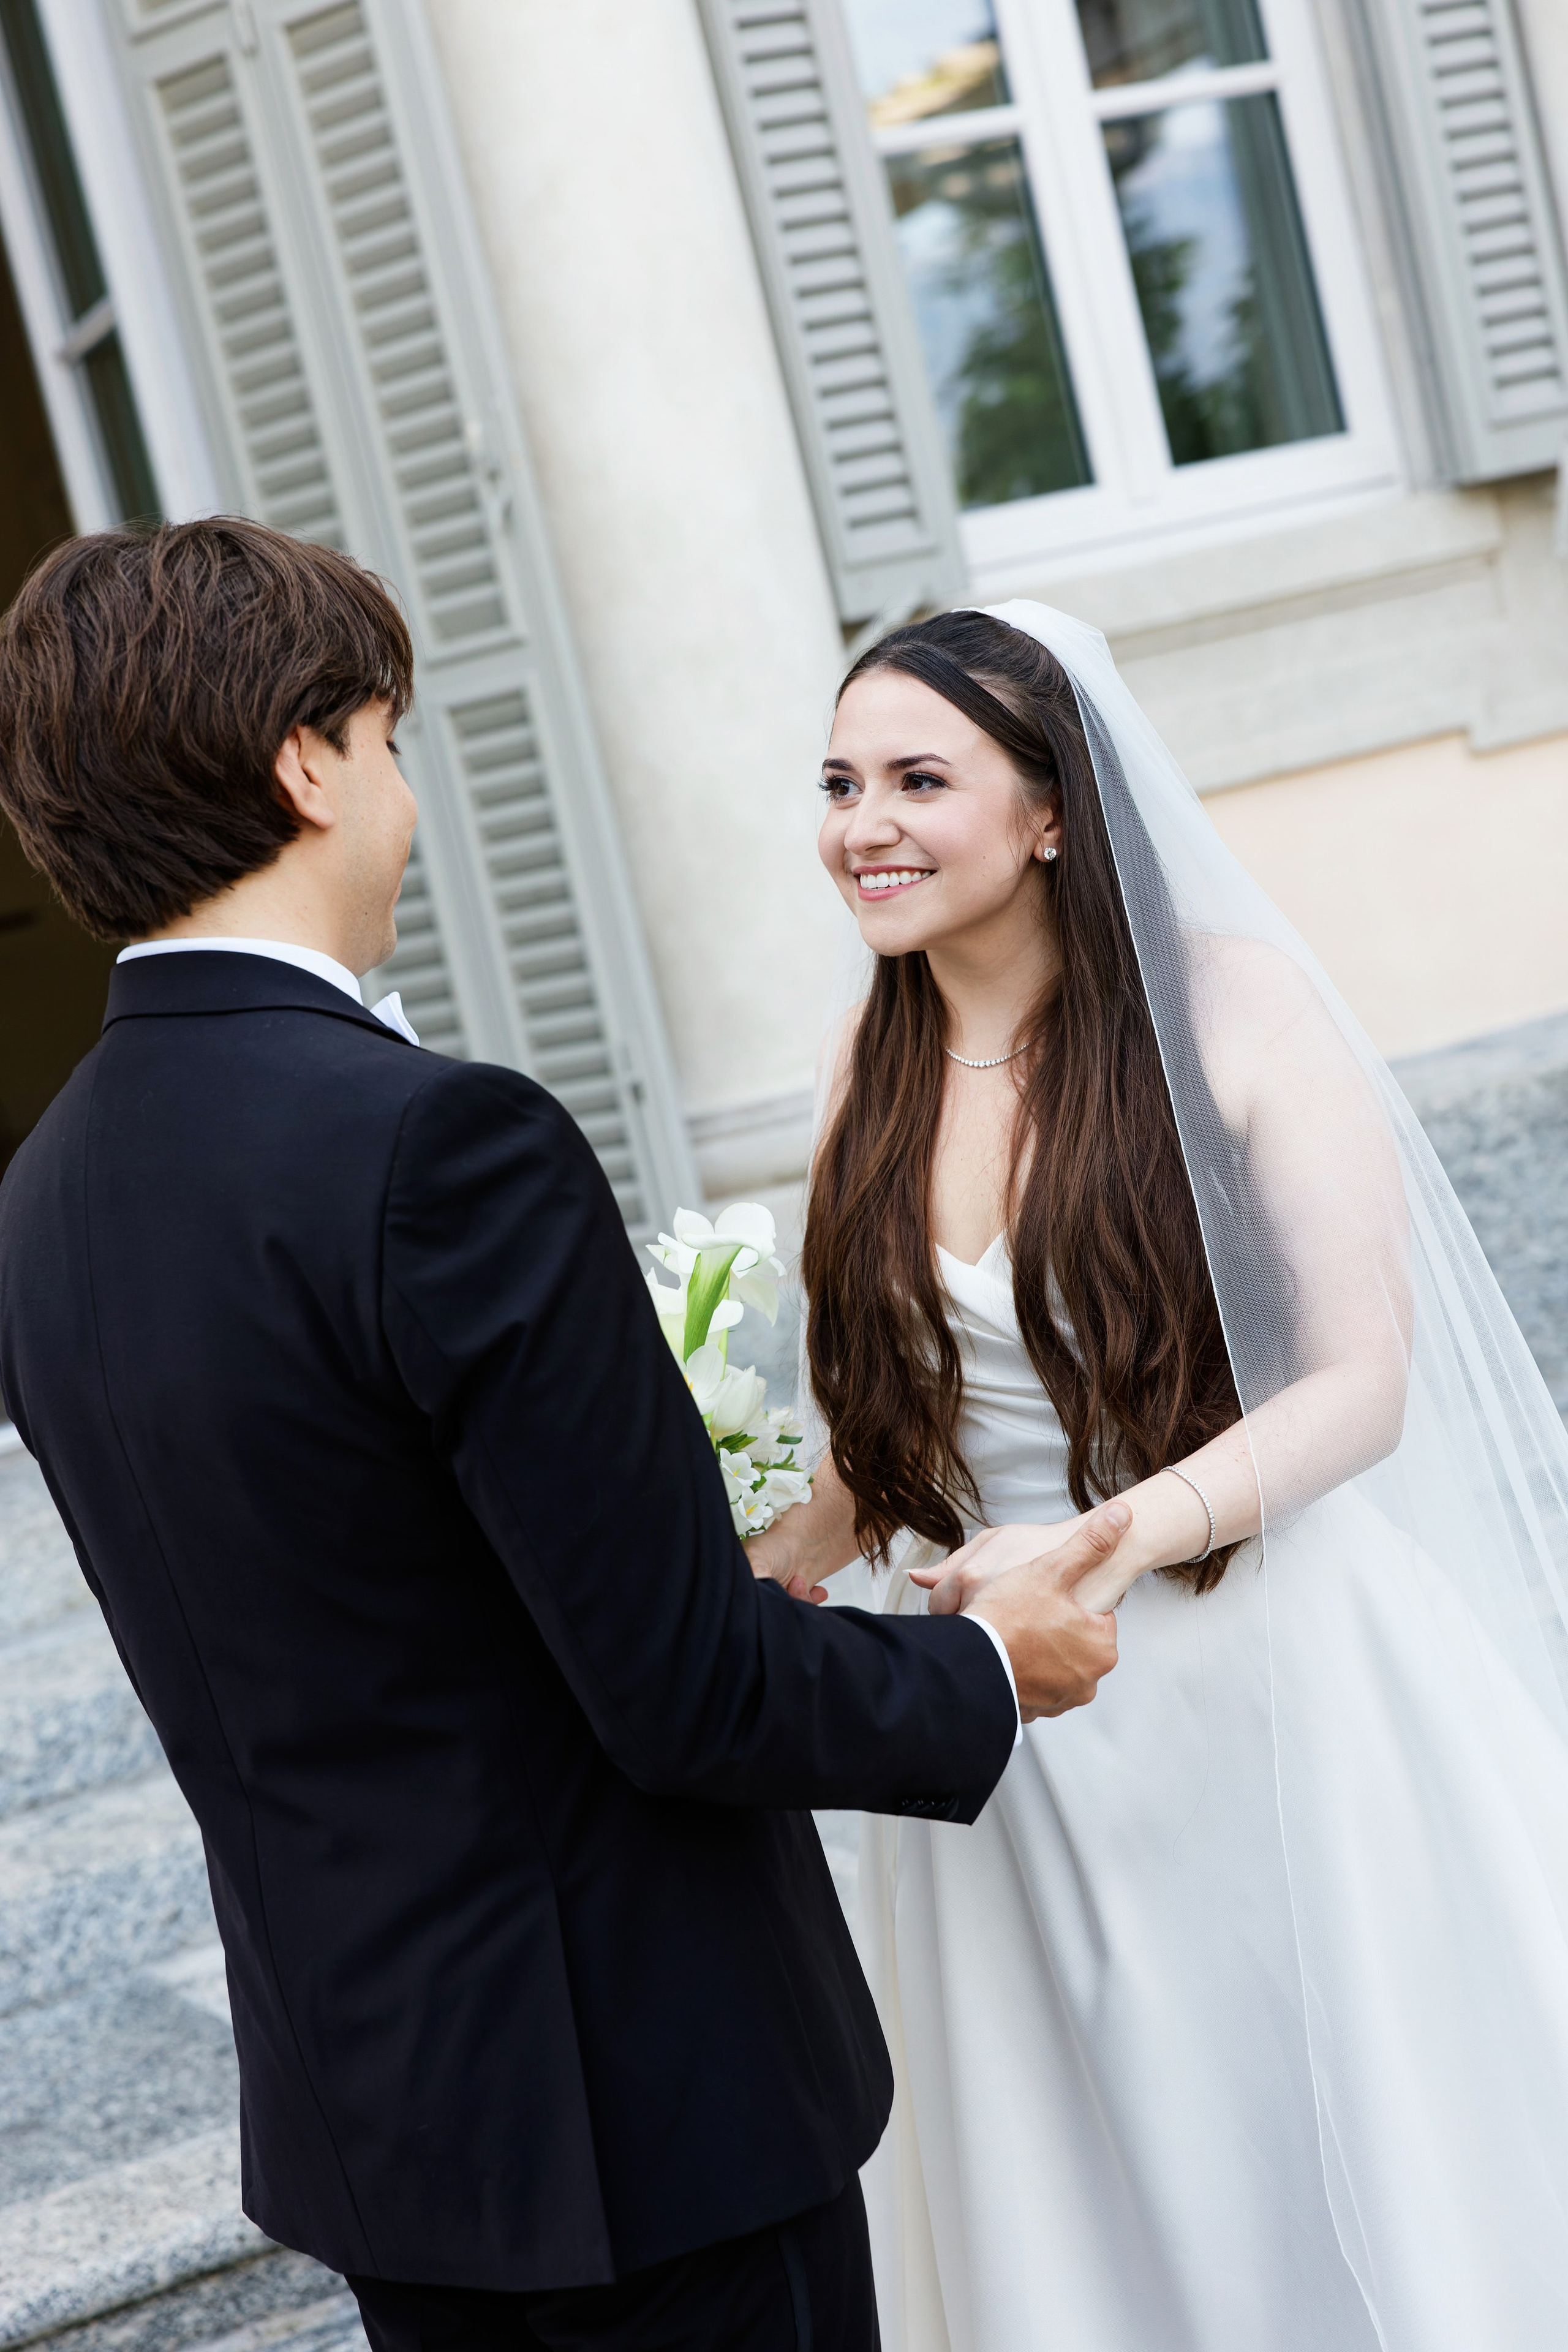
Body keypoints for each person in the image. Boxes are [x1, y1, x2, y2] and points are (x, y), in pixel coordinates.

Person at [0, 526, 1126, 2352]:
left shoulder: (42, 1204)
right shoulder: (440, 1147)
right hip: (642, 2113)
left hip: (378, 2127)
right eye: (386, 739)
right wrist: (991, 1669)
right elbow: (686, 1692)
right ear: (307, 766)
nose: (402, 792)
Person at [747, 604, 1568, 2351]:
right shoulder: (861, 1067)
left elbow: (1362, 1383)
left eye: (916, 779)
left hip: (1264, 1673)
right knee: (1103, 2201)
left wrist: (1114, 1539)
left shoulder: (1235, 1008)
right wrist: (749, 1553)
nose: (861, 823)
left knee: (1336, 2155)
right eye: (837, 783)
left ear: (1051, 809)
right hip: (1008, 1739)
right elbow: (886, 1438)